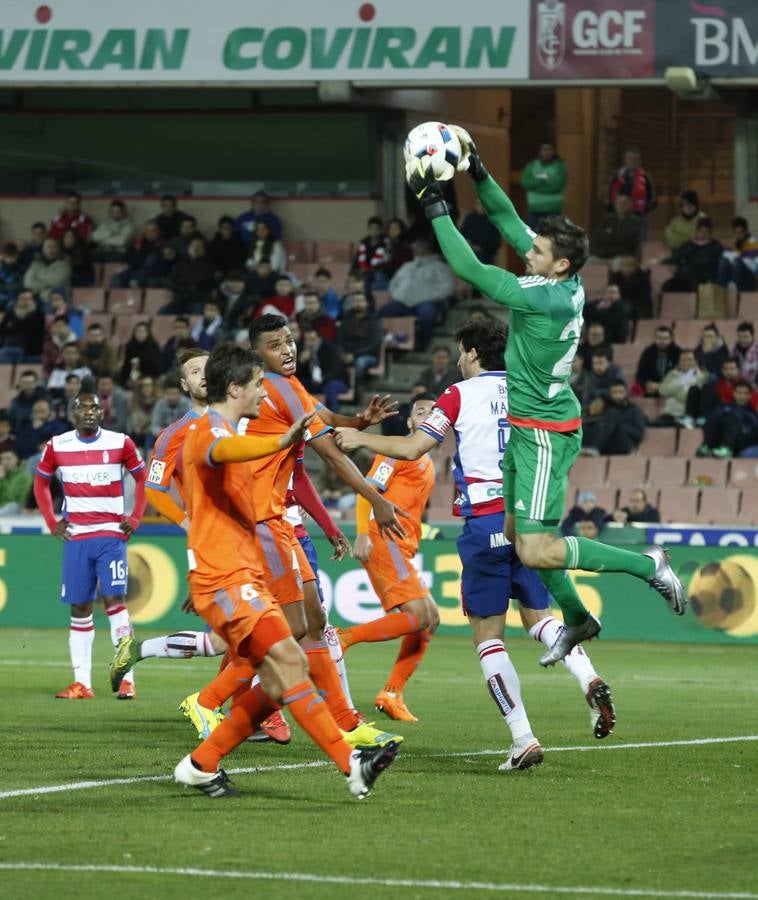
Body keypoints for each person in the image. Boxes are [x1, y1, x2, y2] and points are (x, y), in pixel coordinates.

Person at [403, 126, 685, 666]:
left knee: (536, 547)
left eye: (536, 251)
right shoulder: (563, 280)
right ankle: (577, 618)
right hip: (529, 422)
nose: (526, 251)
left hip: (544, 433)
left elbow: (469, 269)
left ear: (560, 265)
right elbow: (509, 221)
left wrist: (434, 203)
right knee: (517, 537)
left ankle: (649, 565)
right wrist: (478, 171)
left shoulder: (543, 298)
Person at [335, 319, 617, 763]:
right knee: (540, 619)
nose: (459, 360)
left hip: (486, 524)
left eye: (460, 352)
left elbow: (412, 448)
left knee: (488, 638)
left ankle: (523, 738)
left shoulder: (458, 393)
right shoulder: (530, 388)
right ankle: (589, 677)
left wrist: (358, 437)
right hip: (528, 520)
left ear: (470, 353)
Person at [170, 343, 397, 799]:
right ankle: (351, 764)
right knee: (291, 660)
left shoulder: (226, 431)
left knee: (276, 679)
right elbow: (224, 450)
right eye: (258, 385)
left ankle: (201, 764)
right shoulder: (208, 431)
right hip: (225, 580)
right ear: (235, 388)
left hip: (241, 574)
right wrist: (279, 440)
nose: (264, 393)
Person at [33, 388, 147, 699]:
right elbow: (40, 482)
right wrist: (51, 521)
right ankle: (82, 683)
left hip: (110, 535)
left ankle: (127, 679)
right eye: (83, 408)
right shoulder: (58, 445)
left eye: (94, 407)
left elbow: (142, 478)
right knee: (80, 607)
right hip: (76, 537)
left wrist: (135, 517)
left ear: (102, 412)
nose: (89, 412)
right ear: (73, 413)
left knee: (115, 604)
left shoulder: (120, 442)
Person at [337, 394, 440, 722]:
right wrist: (362, 533)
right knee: (420, 616)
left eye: (434, 413)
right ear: (409, 422)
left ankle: (393, 693)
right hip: (384, 539)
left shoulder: (427, 462)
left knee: (430, 619)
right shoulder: (397, 451)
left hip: (402, 545)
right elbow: (366, 489)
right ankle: (341, 639)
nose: (427, 416)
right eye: (421, 412)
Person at [382, 237, 455, 351]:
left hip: (426, 302)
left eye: (419, 246)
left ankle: (423, 343)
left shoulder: (440, 266)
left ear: (427, 248)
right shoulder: (407, 266)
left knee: (427, 312)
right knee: (384, 312)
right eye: (415, 246)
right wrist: (397, 295)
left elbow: (447, 288)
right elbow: (393, 283)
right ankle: (391, 345)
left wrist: (430, 296)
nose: (415, 248)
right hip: (402, 302)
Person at [581, 382, 645, 455]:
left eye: (621, 392)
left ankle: (594, 448)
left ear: (626, 394)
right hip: (607, 445)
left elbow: (639, 434)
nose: (618, 396)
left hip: (624, 444)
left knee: (612, 413)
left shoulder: (634, 410)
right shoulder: (606, 410)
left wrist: (617, 425)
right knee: (588, 425)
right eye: (614, 393)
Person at [698, 380, 758, 458]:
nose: (742, 396)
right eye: (739, 393)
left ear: (750, 396)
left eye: (745, 393)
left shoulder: (752, 413)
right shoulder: (724, 407)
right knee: (716, 417)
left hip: (739, 441)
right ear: (734, 393)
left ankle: (727, 448)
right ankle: (706, 446)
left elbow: (754, 434)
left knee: (732, 418)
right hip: (720, 438)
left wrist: (743, 429)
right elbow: (710, 423)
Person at [335, 290, 382, 388]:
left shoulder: (374, 321)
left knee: (360, 362)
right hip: (347, 354)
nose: (358, 303)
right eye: (355, 301)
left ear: (367, 303)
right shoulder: (346, 320)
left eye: (361, 300)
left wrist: (354, 355)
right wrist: (342, 353)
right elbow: (339, 340)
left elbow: (374, 345)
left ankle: (357, 390)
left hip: (368, 355)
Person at [296, 327, 350, 411]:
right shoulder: (303, 350)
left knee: (330, 386)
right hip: (316, 382)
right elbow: (297, 374)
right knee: (297, 384)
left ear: (319, 339)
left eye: (312, 340)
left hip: (336, 381)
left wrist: (322, 379)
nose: (309, 343)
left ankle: (332, 412)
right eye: (306, 340)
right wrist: (301, 362)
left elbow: (335, 371)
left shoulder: (330, 349)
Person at [607, 146, 656, 237]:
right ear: (625, 159)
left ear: (639, 161)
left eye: (635, 158)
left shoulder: (646, 177)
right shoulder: (617, 176)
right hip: (618, 216)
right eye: (629, 158)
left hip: (638, 216)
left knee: (638, 240)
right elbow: (609, 195)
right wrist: (616, 209)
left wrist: (643, 209)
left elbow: (653, 199)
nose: (632, 161)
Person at [663, 218, 723, 292]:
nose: (703, 234)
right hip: (687, 277)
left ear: (711, 233)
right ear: (696, 231)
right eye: (701, 231)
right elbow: (677, 257)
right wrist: (667, 262)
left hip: (706, 276)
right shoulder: (688, 245)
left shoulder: (716, 246)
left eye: (706, 231)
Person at [653, 350, 708, 427]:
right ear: (679, 362)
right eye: (683, 360)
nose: (686, 362)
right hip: (668, 414)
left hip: (686, 417)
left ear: (695, 361)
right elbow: (662, 391)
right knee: (651, 425)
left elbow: (686, 398)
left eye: (690, 360)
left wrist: (673, 391)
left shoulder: (701, 377)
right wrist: (682, 382)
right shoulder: (672, 374)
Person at [520, 140, 567, 230]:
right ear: (540, 151)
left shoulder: (560, 167)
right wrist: (542, 182)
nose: (546, 152)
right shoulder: (532, 166)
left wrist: (535, 188)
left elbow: (556, 186)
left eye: (549, 150)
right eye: (544, 149)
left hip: (553, 210)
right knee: (532, 236)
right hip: (534, 209)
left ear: (553, 151)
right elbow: (525, 182)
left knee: (552, 236)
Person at [111, 219, 164, 288]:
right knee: (117, 276)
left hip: (151, 274)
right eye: (147, 231)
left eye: (153, 231)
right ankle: (116, 295)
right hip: (134, 270)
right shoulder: (138, 243)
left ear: (159, 231)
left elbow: (155, 264)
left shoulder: (164, 245)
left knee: (151, 261)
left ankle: (136, 283)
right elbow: (128, 257)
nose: (149, 233)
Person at [590, 192, 642, 261]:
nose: (621, 205)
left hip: (622, 257)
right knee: (589, 261)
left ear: (630, 205)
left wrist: (612, 237)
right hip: (602, 255)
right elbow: (599, 238)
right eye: (619, 203)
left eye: (624, 203)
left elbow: (630, 242)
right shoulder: (607, 220)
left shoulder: (636, 222)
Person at [634, 325, 681, 397]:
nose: (662, 341)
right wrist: (646, 384)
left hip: (672, 392)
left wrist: (662, 385)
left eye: (665, 338)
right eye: (659, 338)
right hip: (652, 392)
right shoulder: (648, 352)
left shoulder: (678, 353)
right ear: (655, 338)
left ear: (671, 339)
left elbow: (683, 374)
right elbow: (640, 374)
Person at [22, 238, 71, 302]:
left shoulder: (65, 265)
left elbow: (56, 282)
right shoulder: (36, 263)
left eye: (55, 246)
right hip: (35, 297)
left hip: (56, 299)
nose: (52, 249)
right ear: (43, 249)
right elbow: (27, 282)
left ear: (59, 249)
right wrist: (46, 286)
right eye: (49, 246)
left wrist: (37, 278)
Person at [717, 217, 758, 292]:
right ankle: (721, 292)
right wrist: (726, 249)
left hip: (750, 278)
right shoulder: (734, 243)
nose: (738, 235)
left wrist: (736, 251)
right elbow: (726, 258)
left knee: (737, 262)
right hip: (734, 274)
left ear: (746, 231)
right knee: (723, 261)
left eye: (741, 232)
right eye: (736, 233)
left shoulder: (754, 244)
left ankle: (736, 293)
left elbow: (753, 267)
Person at [609, 254, 653, 321]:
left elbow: (644, 297)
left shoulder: (643, 277)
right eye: (624, 265)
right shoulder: (615, 276)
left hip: (640, 307)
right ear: (620, 266)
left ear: (636, 266)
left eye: (630, 265)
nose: (627, 268)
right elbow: (612, 294)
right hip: (621, 305)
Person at [148, 376, 192, 443]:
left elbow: (191, 426)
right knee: (150, 437)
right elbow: (154, 426)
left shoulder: (187, 404)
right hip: (163, 438)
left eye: (174, 394)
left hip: (182, 439)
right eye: (168, 394)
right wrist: (165, 433)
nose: (171, 397)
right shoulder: (160, 404)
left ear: (180, 393)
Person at [118, 322, 162, 387]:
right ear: (134, 333)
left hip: (149, 378)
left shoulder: (153, 347)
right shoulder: (130, 346)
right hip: (133, 378)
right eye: (138, 331)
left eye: (143, 331)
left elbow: (156, 367)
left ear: (148, 333)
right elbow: (126, 366)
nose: (141, 334)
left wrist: (143, 379)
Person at [664, 191, 707, 256]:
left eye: (690, 204)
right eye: (684, 204)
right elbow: (669, 238)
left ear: (696, 205)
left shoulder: (703, 219)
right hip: (679, 254)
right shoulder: (675, 221)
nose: (687, 207)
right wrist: (689, 240)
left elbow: (703, 238)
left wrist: (682, 239)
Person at [460, 199, 502, 264]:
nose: (480, 206)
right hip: (469, 252)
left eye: (482, 205)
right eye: (478, 204)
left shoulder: (492, 221)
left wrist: (481, 248)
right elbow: (462, 235)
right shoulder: (470, 218)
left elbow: (496, 242)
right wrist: (470, 245)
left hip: (485, 256)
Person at [208, 216, 247, 280]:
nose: (227, 231)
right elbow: (210, 260)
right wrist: (215, 269)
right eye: (224, 228)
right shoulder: (214, 243)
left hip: (235, 271)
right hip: (218, 272)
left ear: (233, 229)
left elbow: (243, 259)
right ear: (220, 229)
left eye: (229, 228)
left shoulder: (239, 243)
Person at [353, 216, 388, 289]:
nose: (373, 231)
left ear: (380, 230)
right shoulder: (363, 242)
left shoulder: (385, 243)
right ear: (368, 229)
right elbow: (357, 260)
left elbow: (384, 262)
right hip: (364, 271)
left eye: (376, 229)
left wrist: (369, 269)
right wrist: (354, 271)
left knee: (378, 277)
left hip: (378, 272)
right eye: (371, 228)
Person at [0, 448, 33, 514]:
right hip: (2, 508)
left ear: (17, 459)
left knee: (13, 505)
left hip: (16, 507)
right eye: (2, 459)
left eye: (8, 458)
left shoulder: (24, 476)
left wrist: (2, 479)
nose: (5, 462)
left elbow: (11, 497)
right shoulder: (2, 474)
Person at [0, 242, 23, 309]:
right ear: (3, 255)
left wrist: (4, 287)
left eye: (12, 257)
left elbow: (19, 285)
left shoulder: (19, 267)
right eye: (8, 257)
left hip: (12, 298)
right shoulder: (1, 266)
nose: (10, 260)